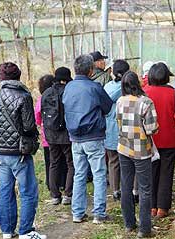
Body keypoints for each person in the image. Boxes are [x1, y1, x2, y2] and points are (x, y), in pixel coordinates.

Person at [0, 62, 46, 239]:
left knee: (6, 191)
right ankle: (26, 231)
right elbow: (29, 126)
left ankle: (7, 231)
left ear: (2, 78)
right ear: (18, 76)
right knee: (28, 190)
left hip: (1, 152)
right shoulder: (24, 96)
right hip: (19, 152)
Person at [62, 54, 113, 224]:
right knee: (98, 174)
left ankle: (77, 213)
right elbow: (107, 107)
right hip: (93, 136)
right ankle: (99, 213)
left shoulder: (68, 87)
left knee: (79, 174)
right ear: (91, 70)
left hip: (75, 138)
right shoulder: (95, 87)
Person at [144, 62, 175, 218]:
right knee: (166, 172)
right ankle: (162, 208)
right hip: (170, 140)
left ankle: (151, 207)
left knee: (151, 172)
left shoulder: (144, 93)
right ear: (166, 77)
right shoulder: (174, 94)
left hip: (149, 139)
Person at [116, 71, 159, 238]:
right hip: (141, 150)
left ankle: (129, 224)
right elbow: (151, 128)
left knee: (125, 186)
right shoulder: (146, 102)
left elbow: (118, 122)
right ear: (138, 83)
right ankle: (145, 229)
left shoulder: (120, 101)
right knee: (145, 189)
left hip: (124, 147)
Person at [41, 67, 75, 205]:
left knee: (53, 163)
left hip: (51, 134)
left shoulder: (46, 92)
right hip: (66, 134)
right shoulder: (69, 91)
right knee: (71, 163)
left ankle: (55, 195)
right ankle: (68, 194)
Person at [35, 75, 67, 191]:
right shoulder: (60, 96)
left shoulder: (41, 100)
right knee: (63, 161)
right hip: (62, 135)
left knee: (51, 163)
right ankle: (63, 183)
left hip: (47, 137)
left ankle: (52, 185)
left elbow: (37, 119)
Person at [103, 59, 130, 201]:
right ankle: (127, 188)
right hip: (123, 128)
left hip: (108, 128)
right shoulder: (126, 88)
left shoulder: (107, 86)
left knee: (112, 161)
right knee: (125, 160)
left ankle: (115, 190)